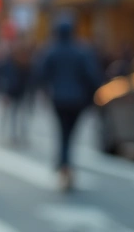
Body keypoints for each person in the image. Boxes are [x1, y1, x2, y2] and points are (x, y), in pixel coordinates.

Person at [35, 13, 104, 191]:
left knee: (63, 132)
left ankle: (63, 163)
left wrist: (46, 90)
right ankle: (65, 163)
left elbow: (41, 74)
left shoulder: (51, 50)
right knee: (70, 134)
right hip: (77, 100)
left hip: (59, 99)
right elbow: (92, 77)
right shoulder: (82, 50)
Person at [0, 40, 34, 146]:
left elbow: (31, 80)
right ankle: (12, 135)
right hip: (11, 93)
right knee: (12, 114)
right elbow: (4, 78)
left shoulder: (27, 65)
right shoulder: (9, 64)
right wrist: (5, 92)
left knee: (23, 115)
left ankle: (22, 135)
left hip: (22, 93)